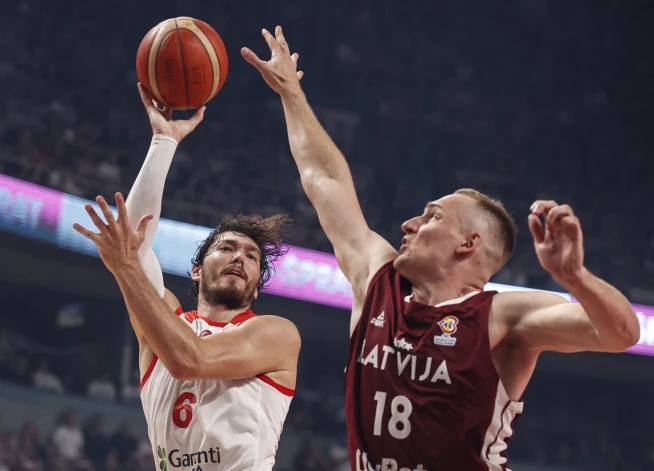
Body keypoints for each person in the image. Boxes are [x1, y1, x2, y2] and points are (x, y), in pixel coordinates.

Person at [242, 26, 640, 470]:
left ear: (469, 244)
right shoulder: (378, 279)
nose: (408, 224)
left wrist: (575, 278)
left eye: (431, 216)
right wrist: (291, 93)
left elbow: (622, 333)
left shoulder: (503, 317)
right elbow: (325, 181)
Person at [72, 85, 301, 471]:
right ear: (196, 270)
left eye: (251, 256)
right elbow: (135, 244)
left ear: (257, 286)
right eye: (226, 248)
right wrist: (163, 141)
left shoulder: (275, 334)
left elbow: (188, 359)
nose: (239, 258)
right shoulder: (164, 322)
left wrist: (125, 266)